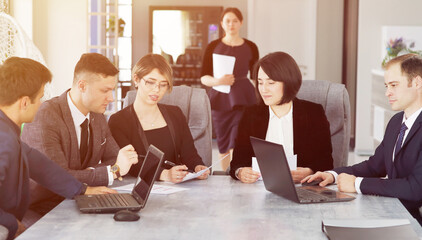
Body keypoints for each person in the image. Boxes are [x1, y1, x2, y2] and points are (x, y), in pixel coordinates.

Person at [0, 57, 116, 240]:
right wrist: (10, 223)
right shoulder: (4, 140)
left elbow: (40, 165)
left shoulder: (7, 132)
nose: (41, 104)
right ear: (24, 102)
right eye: (39, 98)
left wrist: (82, 190)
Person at [303, 53, 422, 224]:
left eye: (394, 85)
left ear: (417, 82)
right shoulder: (397, 122)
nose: (388, 93)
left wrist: (358, 184)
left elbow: (415, 188)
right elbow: (375, 166)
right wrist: (334, 175)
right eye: (386, 86)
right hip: (393, 213)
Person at [20, 53, 138, 214]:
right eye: (105, 90)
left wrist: (87, 174)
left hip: (84, 199)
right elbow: (58, 177)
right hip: (43, 209)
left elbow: (113, 157)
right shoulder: (46, 115)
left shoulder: (97, 114)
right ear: (82, 86)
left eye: (112, 90)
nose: (110, 98)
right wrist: (113, 171)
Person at [230, 51, 334, 183]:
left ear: (288, 82)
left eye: (271, 83)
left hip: (301, 191)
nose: (263, 89)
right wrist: (241, 172)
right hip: (258, 191)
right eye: (260, 82)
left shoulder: (313, 113)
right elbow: (237, 163)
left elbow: (327, 162)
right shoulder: (251, 114)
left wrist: (310, 172)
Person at [109, 54, 210, 183]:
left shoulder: (175, 114)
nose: (156, 90)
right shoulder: (118, 121)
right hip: (138, 187)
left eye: (163, 84)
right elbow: (131, 165)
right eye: (150, 82)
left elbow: (189, 154)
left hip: (177, 189)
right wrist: (165, 174)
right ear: (136, 79)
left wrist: (197, 166)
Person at [201, 7, 259, 171]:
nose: (231, 24)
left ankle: (237, 172)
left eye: (235, 21)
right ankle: (225, 174)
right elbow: (203, 77)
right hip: (221, 97)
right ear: (222, 24)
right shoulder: (213, 46)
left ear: (241, 23)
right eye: (227, 21)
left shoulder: (251, 46)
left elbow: (256, 76)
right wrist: (219, 80)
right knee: (224, 140)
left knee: (239, 138)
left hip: (244, 97)